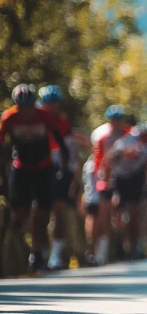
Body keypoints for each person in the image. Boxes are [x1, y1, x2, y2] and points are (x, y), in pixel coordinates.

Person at [0, 84, 69, 271]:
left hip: (43, 168)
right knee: (18, 215)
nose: (26, 113)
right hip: (20, 168)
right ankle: (16, 250)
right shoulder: (8, 118)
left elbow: (61, 144)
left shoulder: (44, 116)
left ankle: (37, 253)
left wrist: (62, 166)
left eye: (29, 108)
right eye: (22, 109)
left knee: (41, 213)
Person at [37, 85, 80, 269]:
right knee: (39, 212)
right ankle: (40, 253)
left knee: (59, 210)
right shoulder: (35, 118)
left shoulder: (63, 121)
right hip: (38, 167)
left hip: (59, 168)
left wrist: (72, 174)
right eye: (48, 104)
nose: (51, 107)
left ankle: (55, 254)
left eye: (55, 104)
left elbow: (68, 148)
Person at [102, 123, 147, 260]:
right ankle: (118, 244)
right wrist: (124, 152)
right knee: (116, 211)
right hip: (120, 179)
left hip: (136, 179)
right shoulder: (125, 142)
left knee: (135, 214)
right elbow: (108, 158)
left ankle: (134, 247)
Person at [91, 105, 130, 265]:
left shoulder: (129, 136)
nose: (116, 123)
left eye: (118, 119)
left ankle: (122, 244)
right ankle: (103, 251)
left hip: (123, 179)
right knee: (104, 214)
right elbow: (98, 161)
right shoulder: (102, 138)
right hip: (106, 179)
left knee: (120, 213)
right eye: (113, 120)